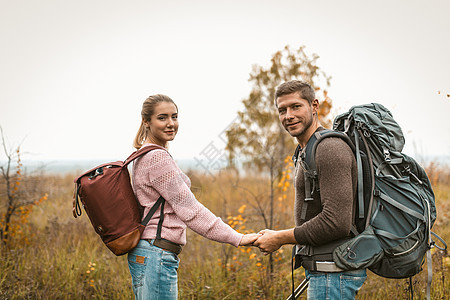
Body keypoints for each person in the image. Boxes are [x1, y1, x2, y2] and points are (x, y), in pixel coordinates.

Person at [128, 94, 259, 300]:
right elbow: (191, 211)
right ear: (146, 121)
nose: (171, 123)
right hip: (157, 254)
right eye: (162, 118)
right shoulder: (157, 158)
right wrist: (238, 238)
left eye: (174, 116)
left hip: (148, 253)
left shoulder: (142, 154)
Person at [253, 80, 367, 299]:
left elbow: (336, 222)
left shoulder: (330, 149)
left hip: (334, 273)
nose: (289, 115)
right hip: (324, 270)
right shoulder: (306, 149)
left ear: (314, 106)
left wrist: (280, 237)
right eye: (282, 110)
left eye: (296, 106)